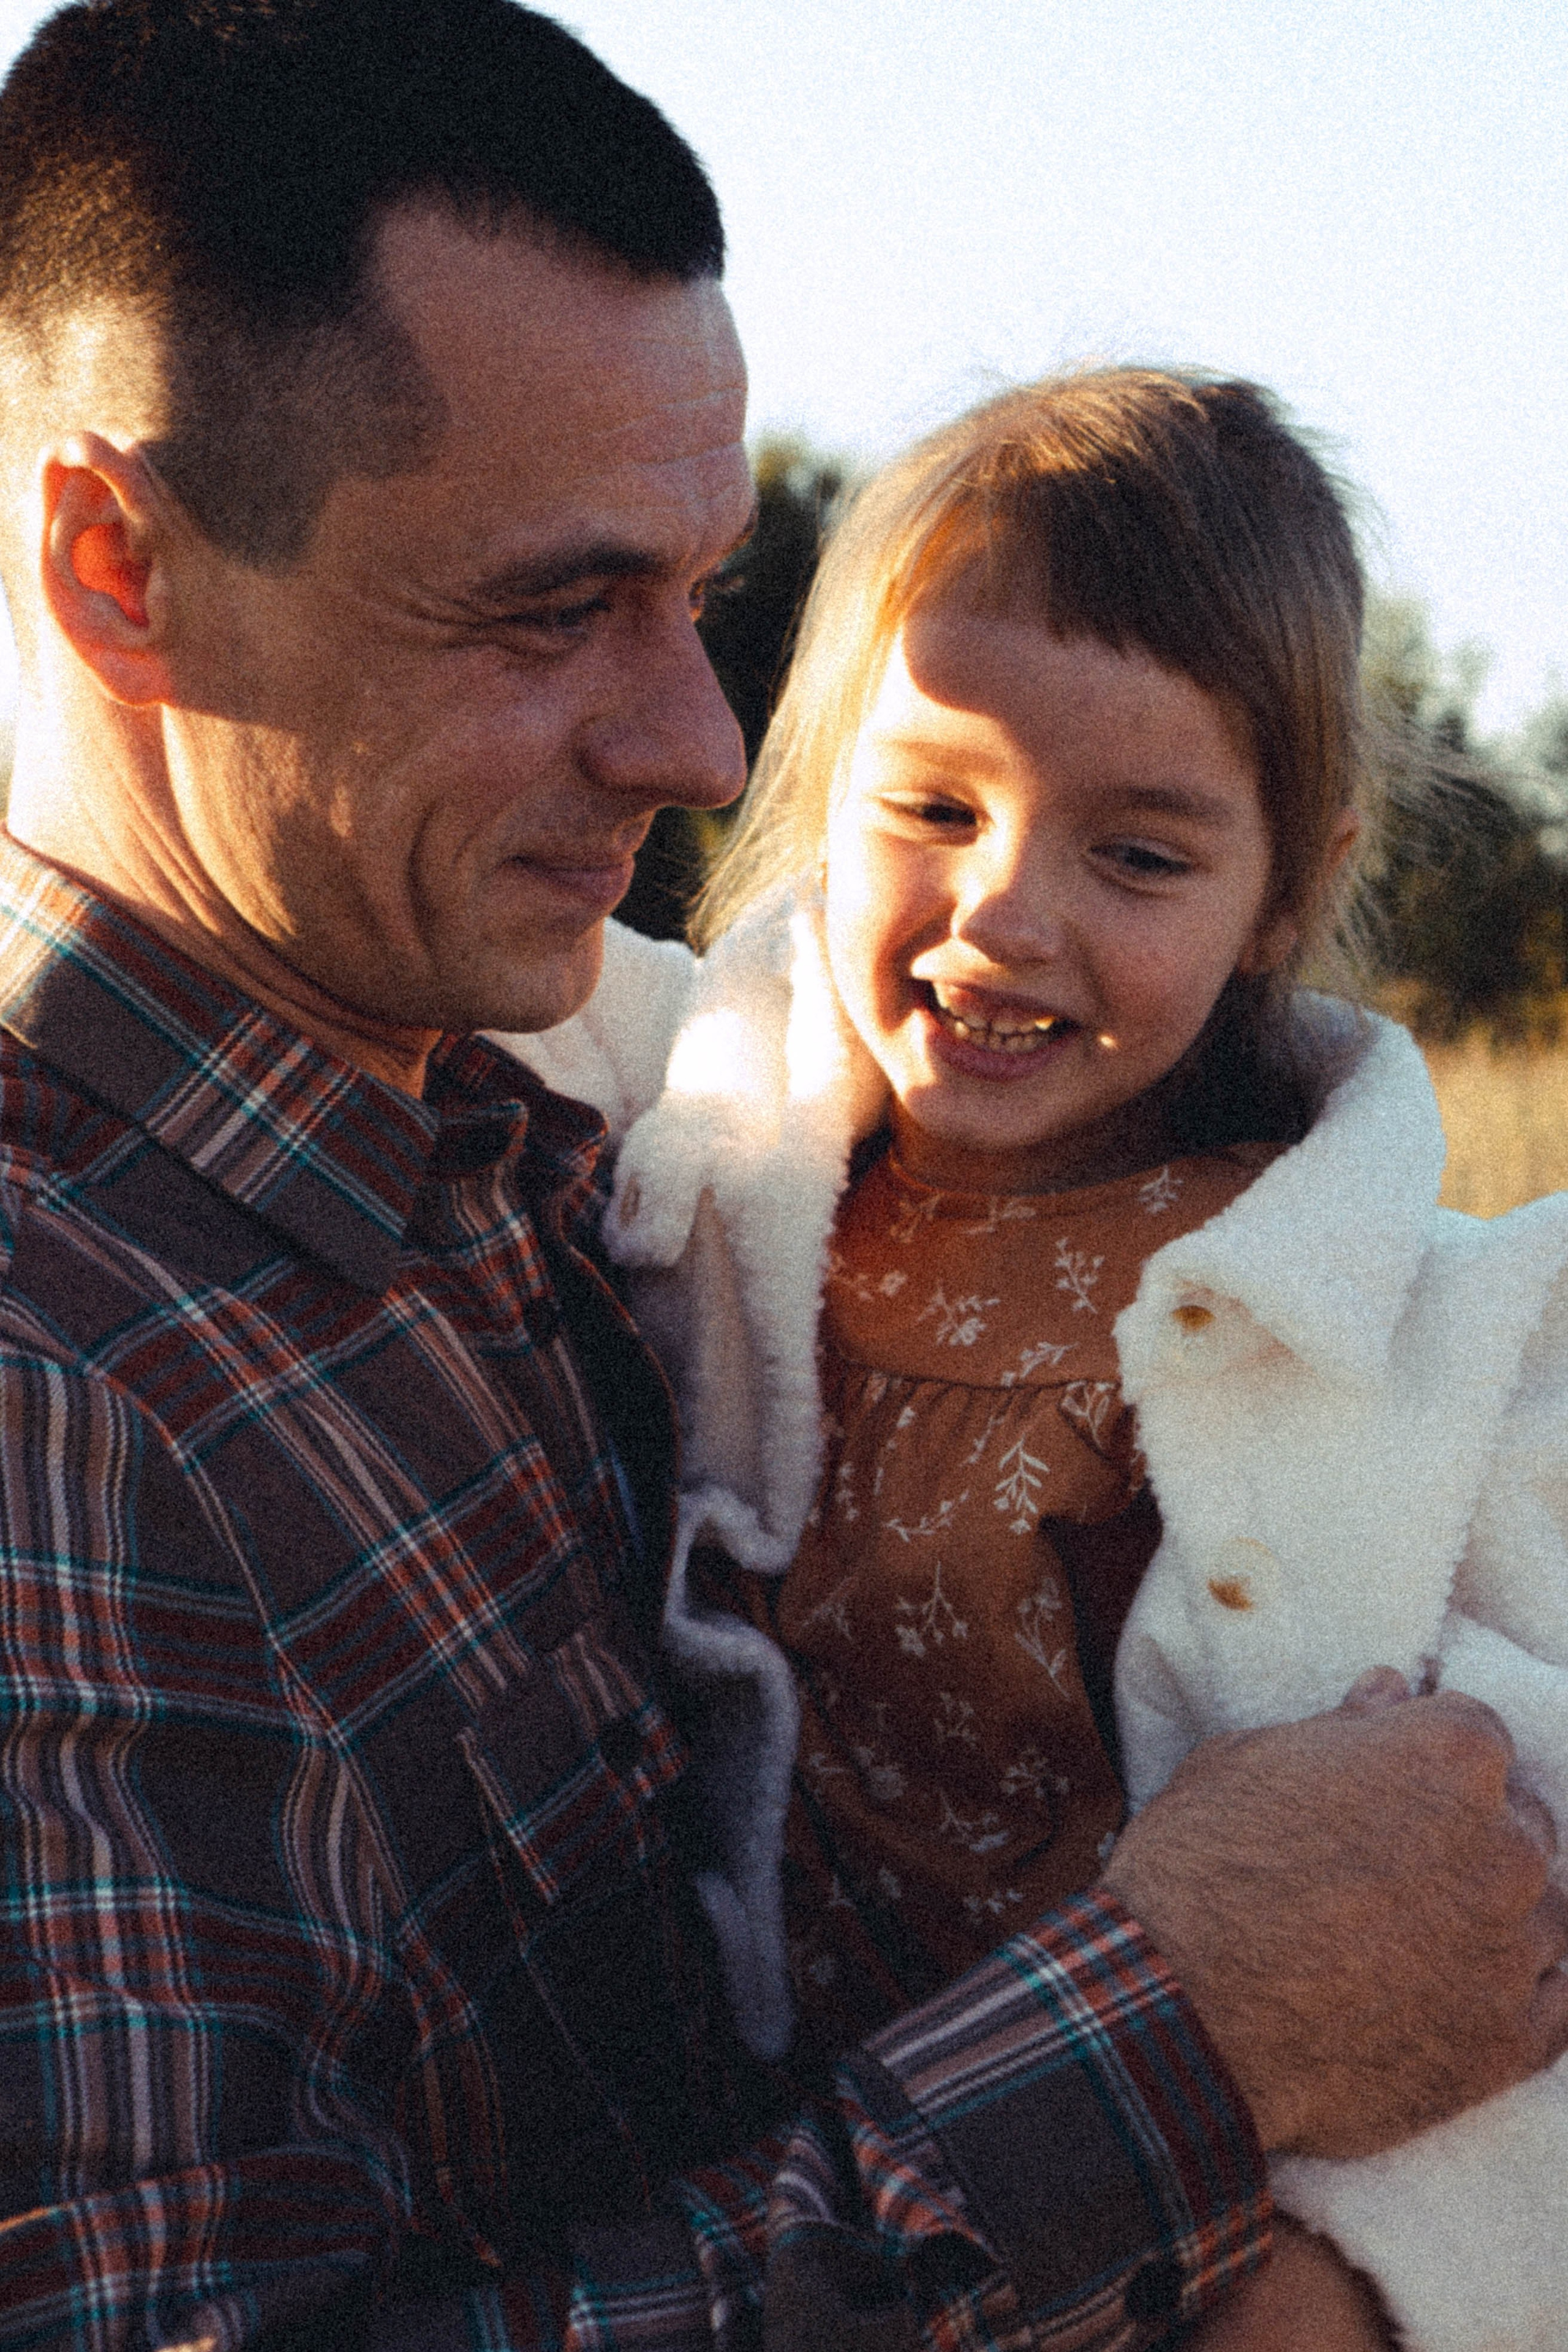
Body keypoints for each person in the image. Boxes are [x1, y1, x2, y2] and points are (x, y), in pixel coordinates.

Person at [0, 6, 1561, 2347]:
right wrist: (1182, 2038)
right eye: (550, 608)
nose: (705, 739)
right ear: (125, 566)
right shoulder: (58, 1393)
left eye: (700, 595)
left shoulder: (577, 1137)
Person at [514, 370, 1568, 2350]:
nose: (1004, 919)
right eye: (931, 807)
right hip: (824, 2213)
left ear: (1287, 887)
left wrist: (1369, 2273)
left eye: (1142, 859)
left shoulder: (1418, 1332)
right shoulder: (719, 1132)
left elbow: (1523, 1886)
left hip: (1223, 2199)